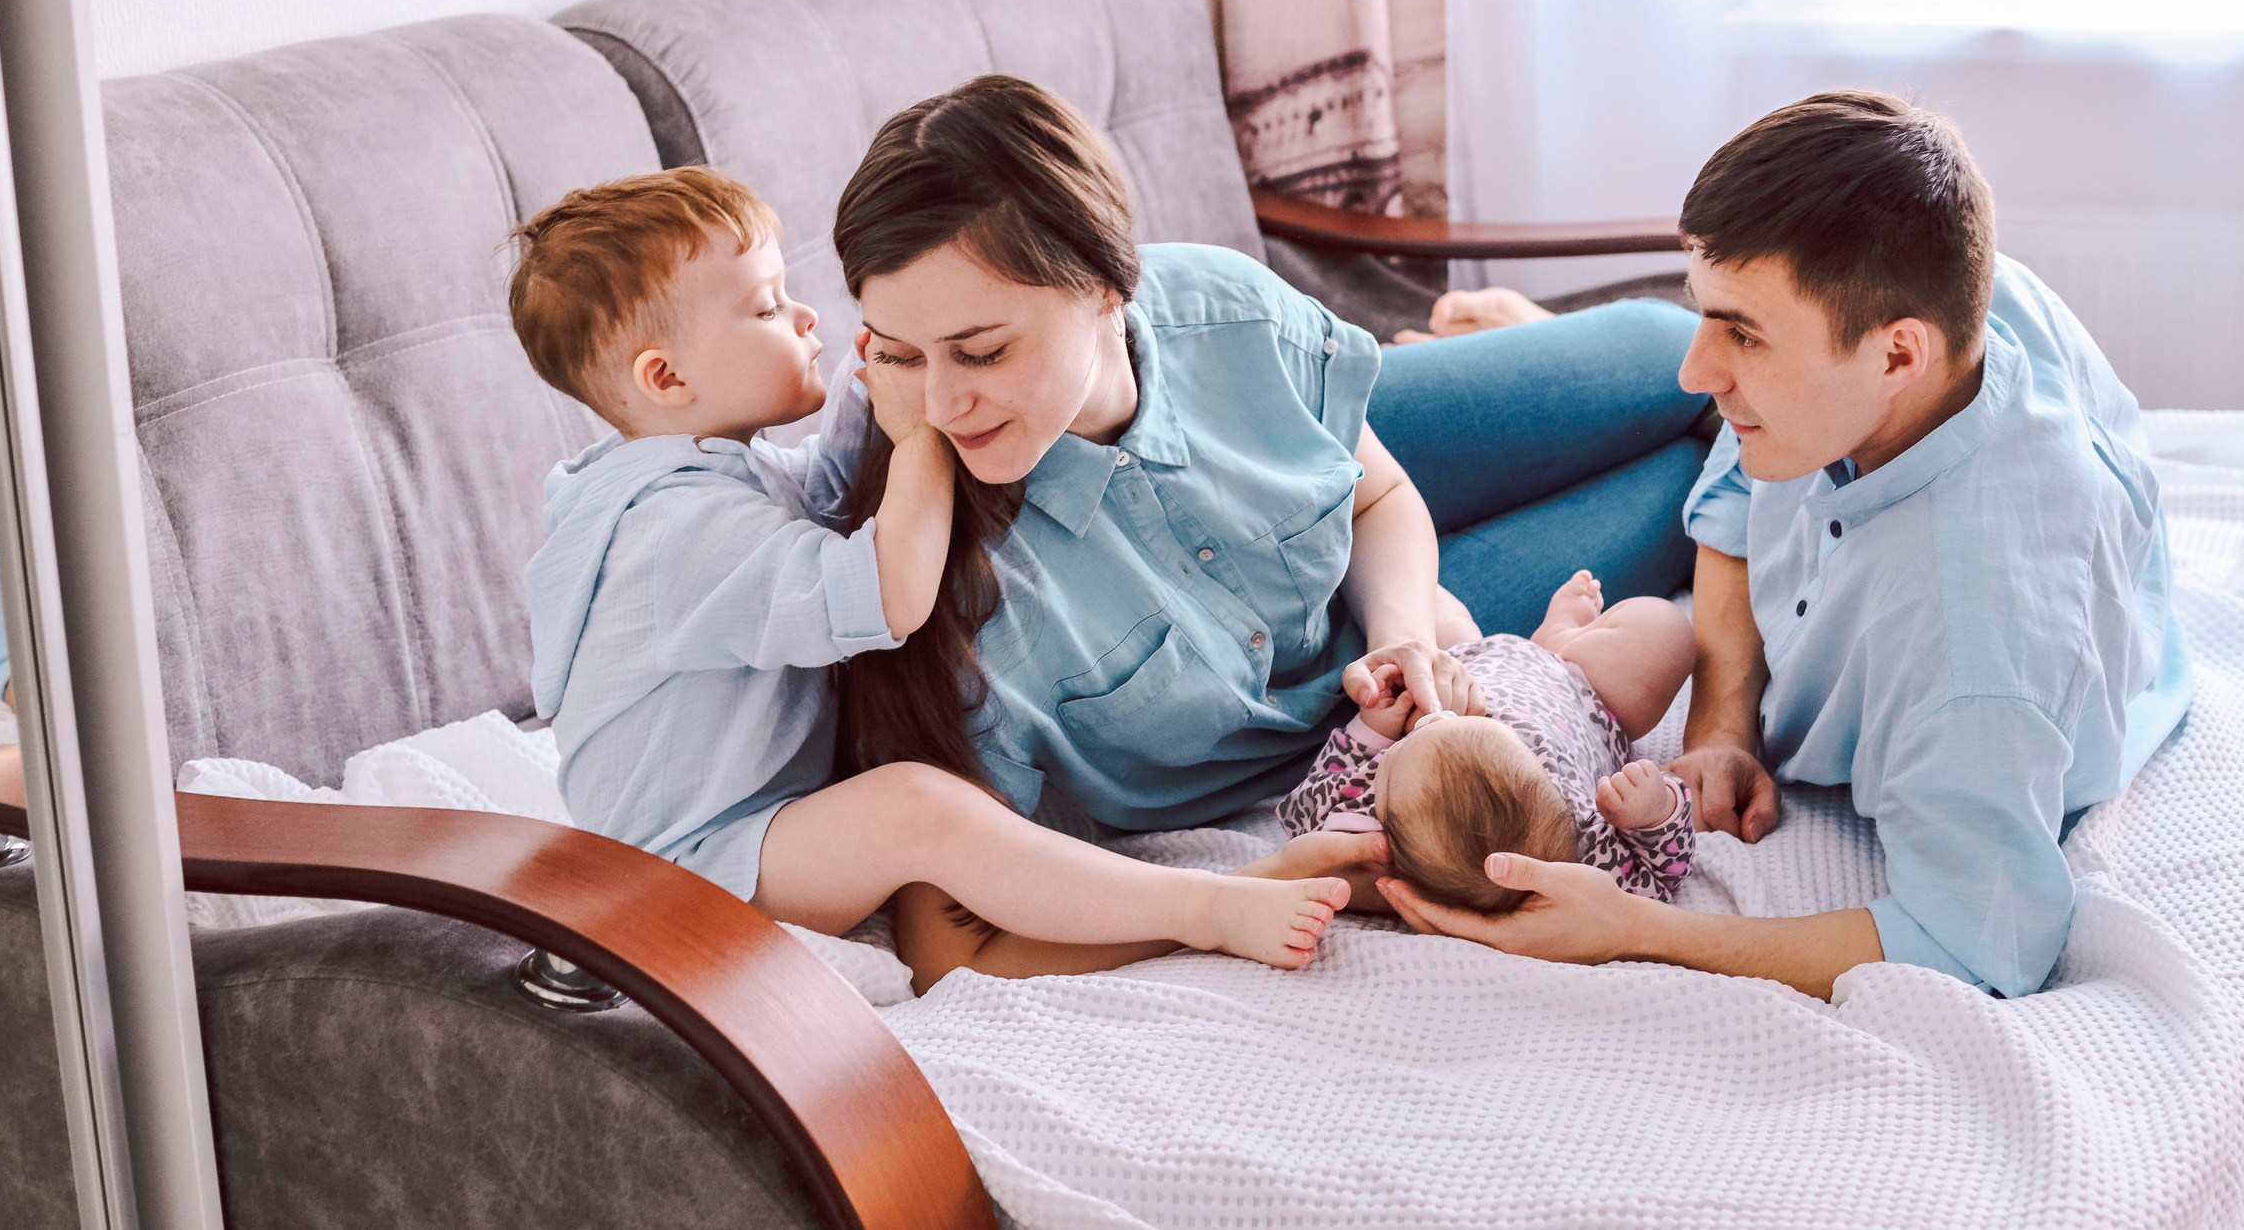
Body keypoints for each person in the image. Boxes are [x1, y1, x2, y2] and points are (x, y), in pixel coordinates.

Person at [822, 77, 1717, 982]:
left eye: (980, 350)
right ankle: (1462, 342)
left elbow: (1374, 496)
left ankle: (1461, 338)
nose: (938, 402)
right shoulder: (936, 577)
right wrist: (1239, 893)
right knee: (1687, 483)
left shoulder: (1225, 312)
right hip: (1349, 726)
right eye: (896, 354)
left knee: (1662, 351)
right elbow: (952, 944)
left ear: (1102, 286)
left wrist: (1404, 637)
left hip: (1341, 559)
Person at [1379, 92, 2193, 1000]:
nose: (1698, 366)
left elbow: (1977, 941)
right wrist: (1723, 717)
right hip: (1825, 414)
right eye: (1710, 313)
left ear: (1897, 357)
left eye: (1742, 333)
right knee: (1685, 401)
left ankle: (1564, 364)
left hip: (2002, 572)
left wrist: (1636, 929)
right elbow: (1738, 490)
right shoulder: (1935, 301)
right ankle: (1560, 348)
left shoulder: (1977, 655)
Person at [510, 167, 1348, 982]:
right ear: (666, 377)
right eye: (766, 306)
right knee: (916, 808)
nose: (805, 316)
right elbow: (888, 589)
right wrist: (916, 441)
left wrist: (897, 372)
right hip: (692, 874)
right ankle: (1203, 906)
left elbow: (828, 502)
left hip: (745, 838)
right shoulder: (672, 531)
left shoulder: (705, 478)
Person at [1275, 572, 1700, 915]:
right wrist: (1654, 813)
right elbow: (1662, 874)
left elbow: (1304, 812)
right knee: (1665, 628)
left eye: (1410, 738)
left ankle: (1531, 638)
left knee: (1422, 592)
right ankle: (1560, 638)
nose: (1435, 720)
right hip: (1578, 686)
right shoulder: (1582, 857)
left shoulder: (1368, 818)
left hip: (1458, 666)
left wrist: (1374, 731)